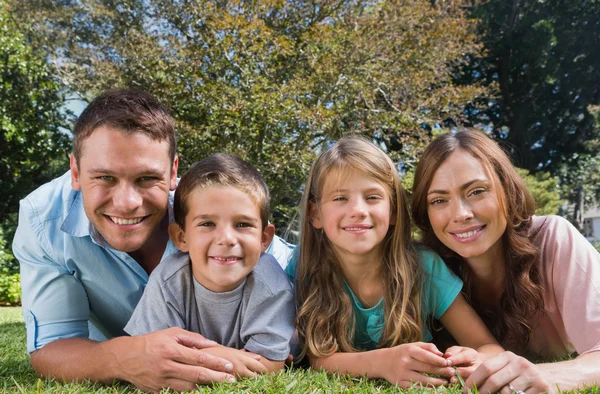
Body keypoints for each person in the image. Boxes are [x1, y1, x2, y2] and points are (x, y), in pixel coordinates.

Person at [12, 89, 293, 391]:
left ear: (173, 172)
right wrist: (126, 358)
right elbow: (53, 348)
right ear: (76, 172)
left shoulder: (209, 207)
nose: (127, 202)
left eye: (147, 178)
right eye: (105, 178)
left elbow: (295, 265)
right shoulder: (44, 221)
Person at [286, 137, 504, 388]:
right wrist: (384, 363)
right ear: (315, 214)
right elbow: (319, 359)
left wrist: (474, 358)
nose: (358, 210)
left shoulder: (424, 267)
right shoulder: (304, 266)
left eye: (372, 197)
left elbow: (488, 346)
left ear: (394, 211)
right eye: (340, 198)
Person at [411, 129, 600, 393]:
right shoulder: (425, 269)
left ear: (507, 191)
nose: (461, 214)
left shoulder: (554, 240)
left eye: (476, 191)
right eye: (439, 200)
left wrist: (547, 375)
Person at [124, 154, 295, 377]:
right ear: (181, 237)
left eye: (242, 224)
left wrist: (188, 355)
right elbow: (151, 354)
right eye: (207, 224)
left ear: (264, 239)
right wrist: (228, 355)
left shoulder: (271, 283)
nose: (226, 239)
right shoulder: (167, 280)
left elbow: (269, 365)